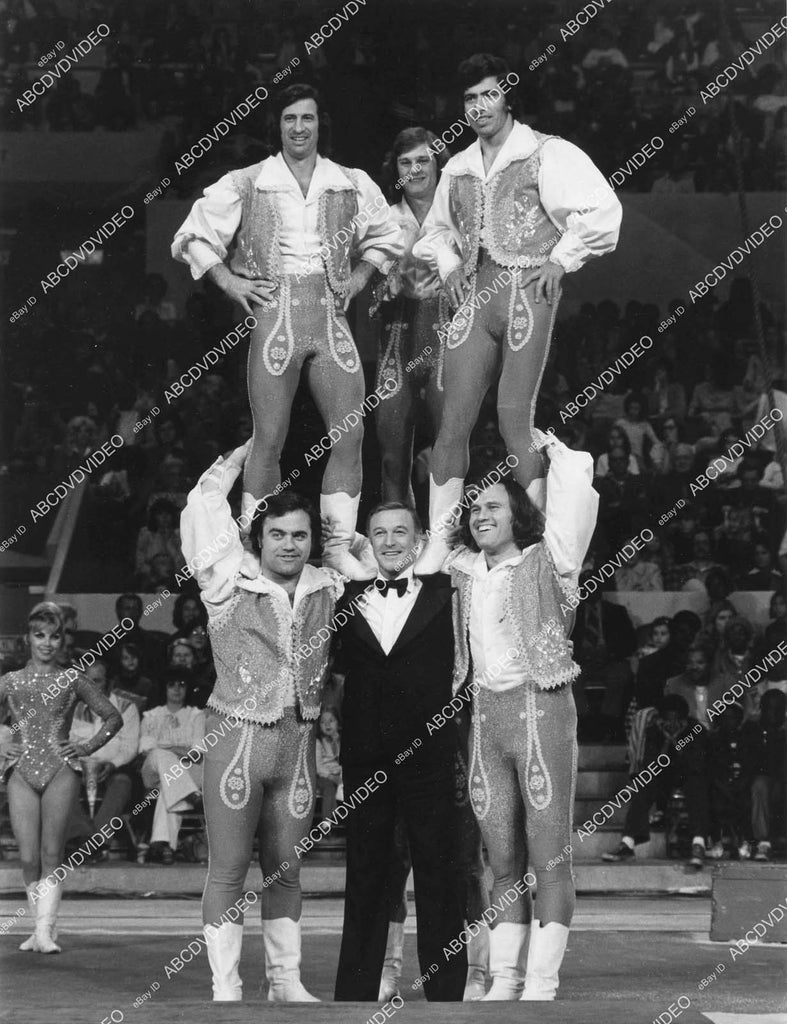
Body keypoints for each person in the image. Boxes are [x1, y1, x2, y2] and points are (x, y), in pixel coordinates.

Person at [172, 83, 403, 580]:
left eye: (307, 118)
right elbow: (192, 236)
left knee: (351, 433)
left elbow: (388, 236)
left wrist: (359, 277)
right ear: (277, 126)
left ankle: (336, 548)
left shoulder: (349, 182)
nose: (299, 127)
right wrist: (230, 281)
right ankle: (255, 549)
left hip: (330, 320)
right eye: (290, 119)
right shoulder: (248, 181)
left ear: (320, 124)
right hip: (275, 321)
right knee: (268, 439)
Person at [411, 52, 620, 573]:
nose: (479, 106)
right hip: (474, 300)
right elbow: (435, 232)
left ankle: (537, 539)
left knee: (512, 419)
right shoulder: (458, 166)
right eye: (470, 98)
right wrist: (449, 265)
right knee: (451, 422)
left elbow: (602, 210)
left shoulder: (547, 152)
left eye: (489, 94)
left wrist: (561, 259)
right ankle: (440, 538)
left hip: (528, 293)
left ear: (508, 97)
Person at [180, 441, 344, 1002]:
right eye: (277, 534)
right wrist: (238, 459)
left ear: (313, 540)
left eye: (300, 535)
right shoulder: (228, 579)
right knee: (228, 870)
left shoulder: (328, 584)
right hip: (237, 743)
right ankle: (226, 986)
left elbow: (377, 553)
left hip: (298, 747)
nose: (289, 544)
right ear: (258, 538)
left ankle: (285, 982)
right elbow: (203, 506)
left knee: (287, 871)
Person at [444, 432, 598, 1000]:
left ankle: (541, 981)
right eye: (474, 508)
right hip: (485, 719)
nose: (480, 515)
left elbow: (574, 506)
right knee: (502, 860)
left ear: (519, 515)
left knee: (548, 857)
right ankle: (505, 978)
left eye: (493, 506)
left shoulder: (549, 561)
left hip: (542, 711)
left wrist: (555, 453)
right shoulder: (462, 569)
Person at [330, 501, 468, 1002]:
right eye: (380, 533)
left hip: (431, 756)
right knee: (366, 872)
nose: (390, 542)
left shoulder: (448, 592)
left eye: (400, 532)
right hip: (365, 758)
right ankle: (355, 994)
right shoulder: (343, 598)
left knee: (440, 873)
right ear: (368, 541)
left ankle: (446, 996)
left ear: (418, 539)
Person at [0, 602, 122, 953]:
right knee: (27, 858)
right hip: (21, 770)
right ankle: (37, 930)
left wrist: (86, 747)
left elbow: (113, 717)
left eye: (54, 636)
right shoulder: (11, 681)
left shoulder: (72, 679)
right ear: (28, 638)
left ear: (62, 640)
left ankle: (44, 932)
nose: (47, 643)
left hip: (60, 770)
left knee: (52, 852)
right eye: (40, 635)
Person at [374, 127, 450, 504]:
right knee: (392, 457)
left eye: (423, 160)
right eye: (406, 162)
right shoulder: (384, 220)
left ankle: (448, 532)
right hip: (396, 342)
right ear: (396, 169)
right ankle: (398, 533)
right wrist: (383, 284)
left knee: (449, 451)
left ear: (438, 165)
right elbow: (367, 283)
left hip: (447, 339)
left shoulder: (458, 215)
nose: (415, 169)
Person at [603, 693, 711, 869]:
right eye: (668, 719)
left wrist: (678, 743)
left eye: (676, 719)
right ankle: (627, 843)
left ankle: (698, 844)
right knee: (644, 784)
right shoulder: (654, 731)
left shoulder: (695, 730)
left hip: (690, 774)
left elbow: (697, 763)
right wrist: (667, 742)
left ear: (684, 720)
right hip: (664, 775)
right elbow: (650, 764)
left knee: (696, 786)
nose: (672, 723)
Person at [67, 657, 140, 855]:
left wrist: (113, 764)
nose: (91, 686)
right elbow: (67, 742)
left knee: (122, 783)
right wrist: (79, 764)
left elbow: (130, 747)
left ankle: (94, 841)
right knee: (62, 781)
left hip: (114, 767)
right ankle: (83, 835)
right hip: (80, 766)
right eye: (87, 681)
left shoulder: (126, 708)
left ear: (110, 682)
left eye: (97, 681)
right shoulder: (75, 708)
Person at [139, 669, 206, 864]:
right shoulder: (152, 715)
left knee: (168, 788)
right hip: (154, 770)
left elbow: (197, 752)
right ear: (164, 688)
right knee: (160, 755)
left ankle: (165, 846)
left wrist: (165, 746)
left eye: (182, 685)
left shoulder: (196, 715)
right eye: (172, 685)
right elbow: (146, 749)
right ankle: (190, 794)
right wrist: (177, 750)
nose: (177, 689)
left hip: (189, 772)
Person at [745, 689, 786, 862]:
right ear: (762, 708)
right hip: (762, 778)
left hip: (783, 778)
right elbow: (751, 763)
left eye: (778, 709)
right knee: (759, 785)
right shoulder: (752, 729)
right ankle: (763, 842)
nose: (773, 714)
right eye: (770, 708)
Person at [315, 707, 342, 818]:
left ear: (338, 723)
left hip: (339, 774)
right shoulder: (318, 742)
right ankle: (326, 822)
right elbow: (318, 766)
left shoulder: (341, 740)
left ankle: (340, 816)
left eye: (331, 721)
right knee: (329, 788)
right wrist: (331, 777)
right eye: (323, 722)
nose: (327, 725)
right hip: (323, 776)